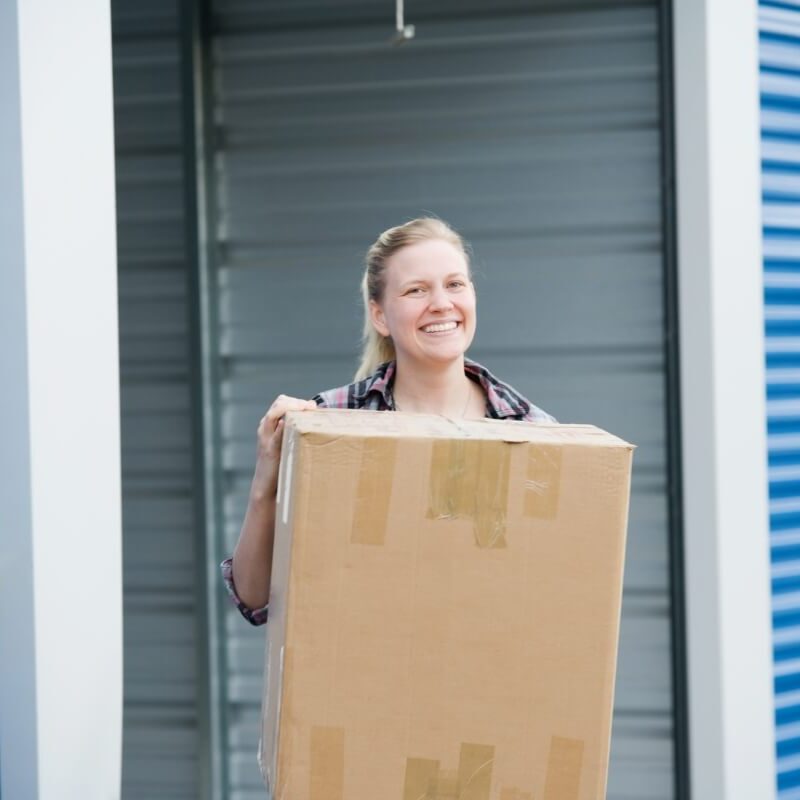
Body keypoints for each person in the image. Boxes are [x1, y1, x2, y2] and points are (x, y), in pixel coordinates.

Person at [221, 217, 556, 625]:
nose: (441, 303)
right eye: (416, 290)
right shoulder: (330, 427)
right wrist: (264, 486)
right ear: (380, 316)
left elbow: (551, 593)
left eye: (455, 284)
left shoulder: (533, 434)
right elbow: (254, 600)